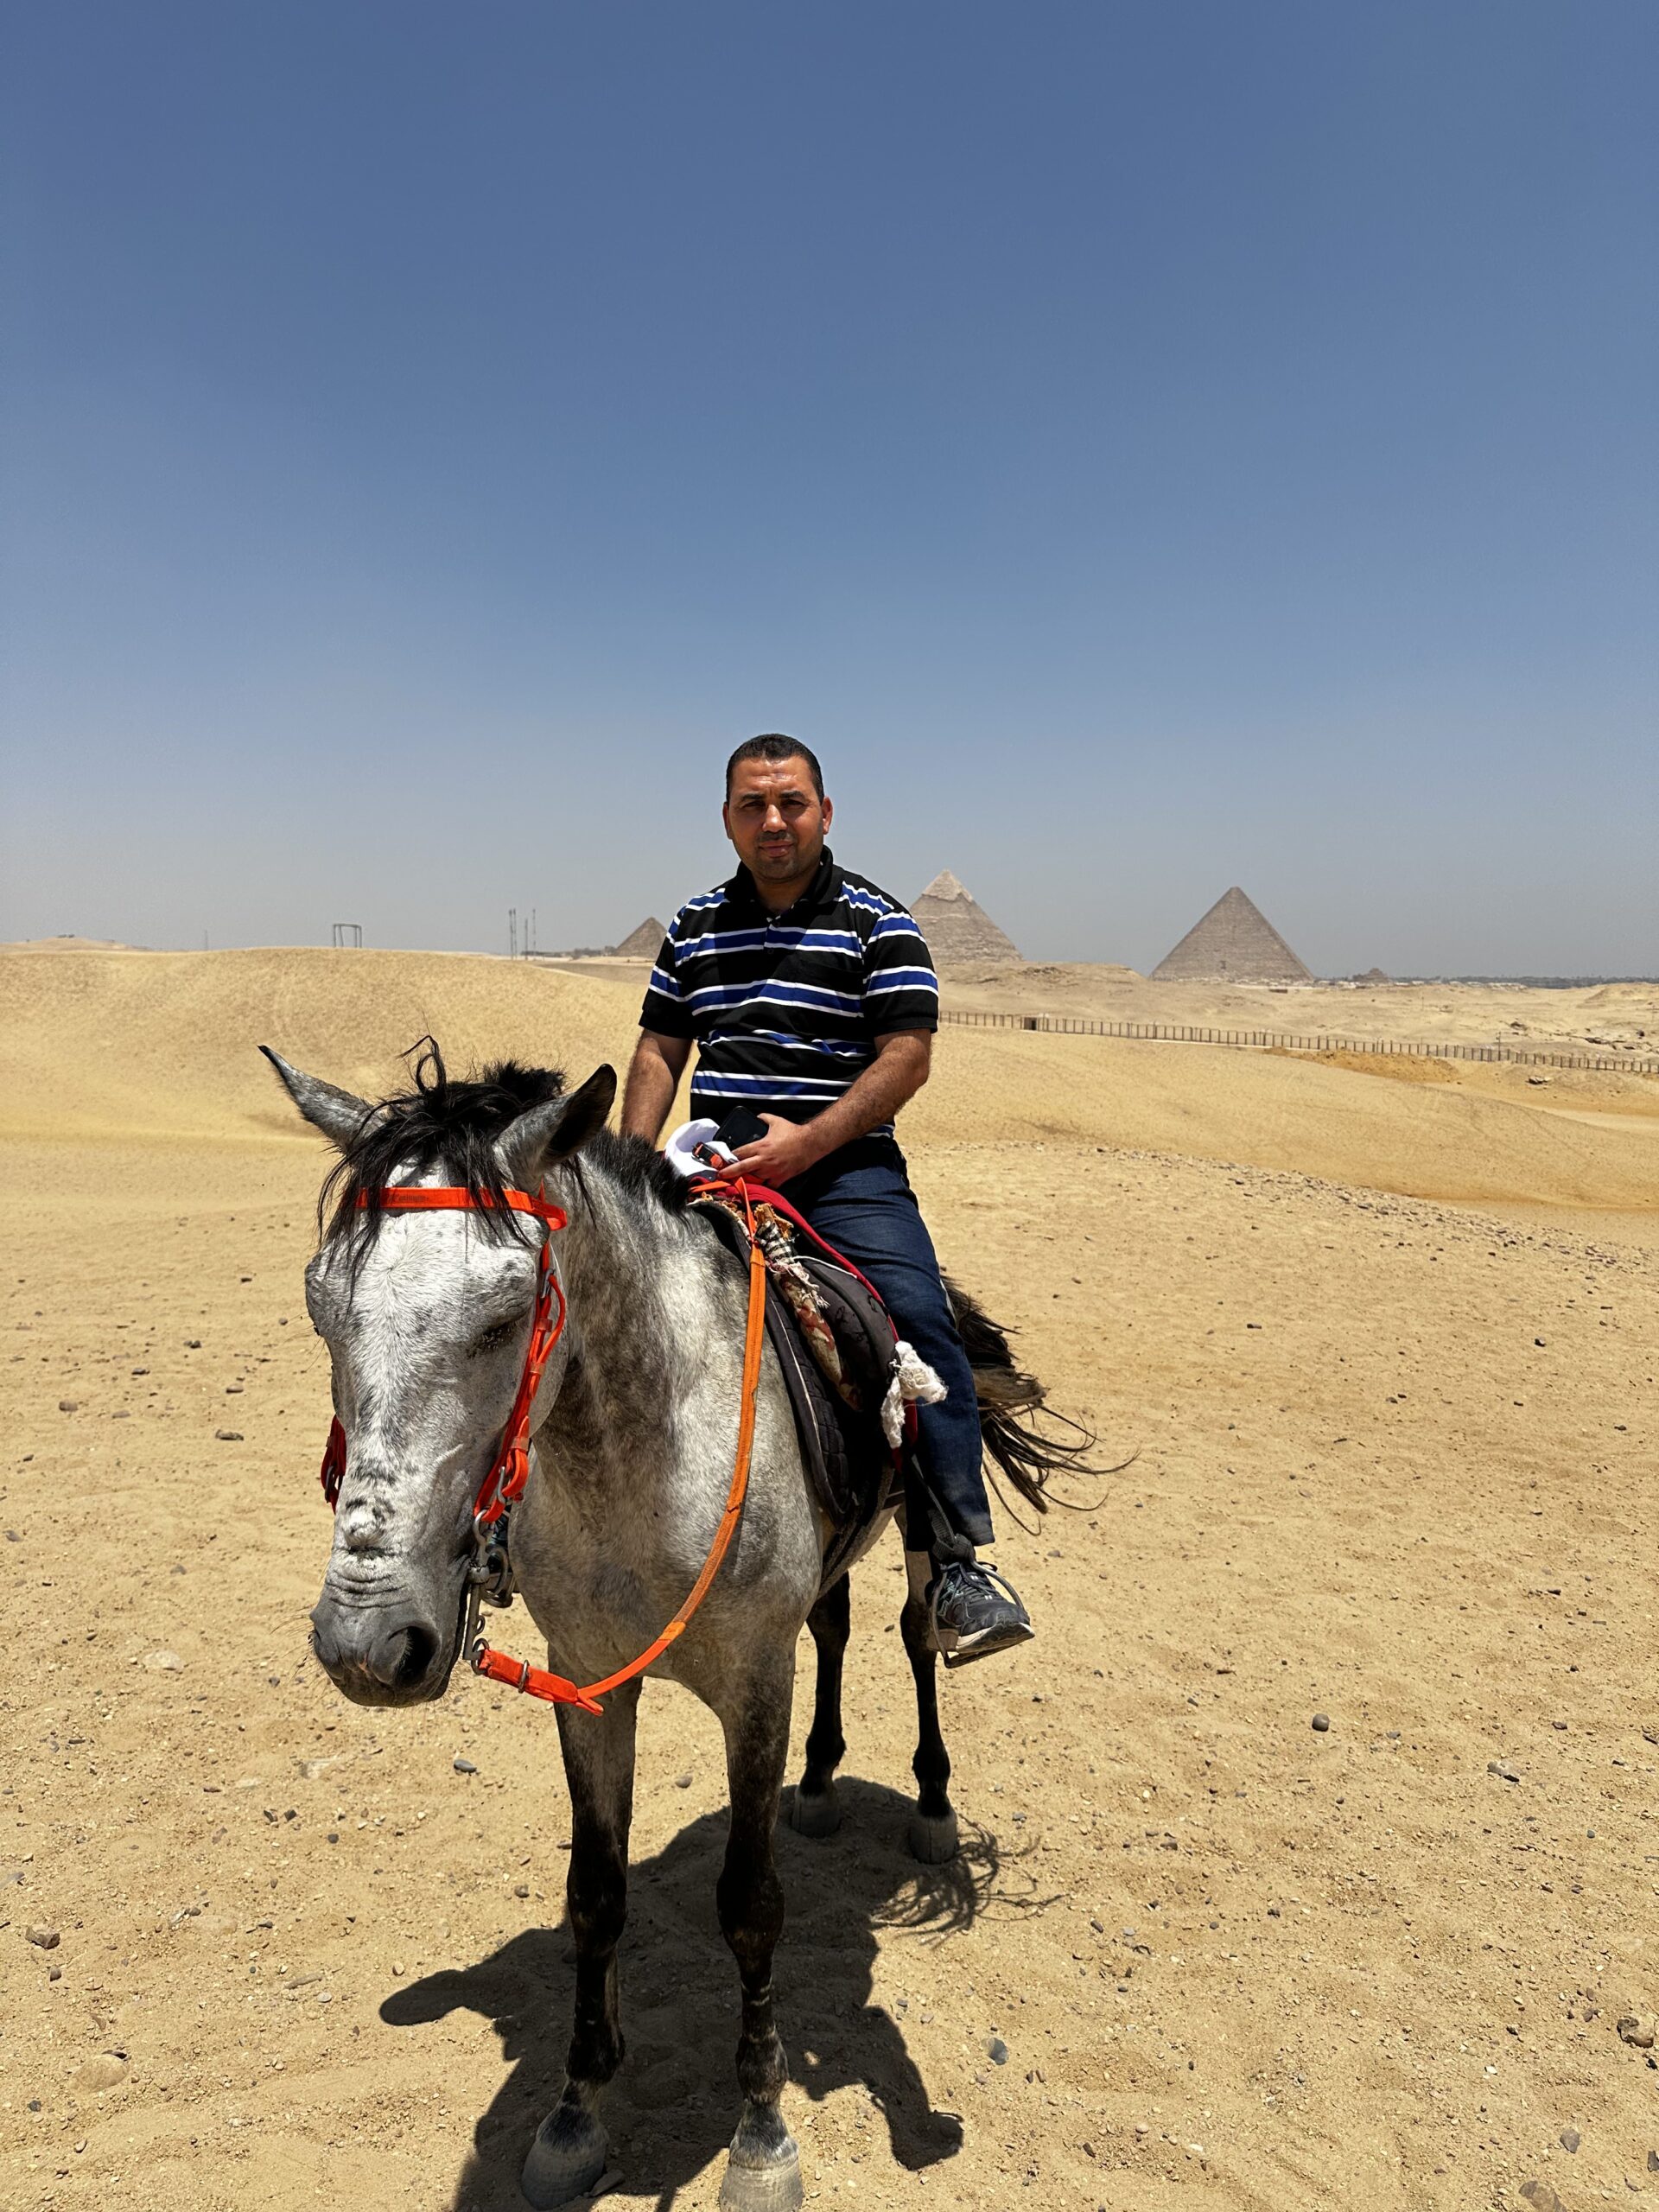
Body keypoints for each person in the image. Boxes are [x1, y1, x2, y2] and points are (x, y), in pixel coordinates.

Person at [619, 732, 1033, 1665]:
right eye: (753, 805)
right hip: (712, 1167)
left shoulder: (876, 922)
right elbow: (658, 1049)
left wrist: (807, 1143)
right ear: (727, 817)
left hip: (845, 1172)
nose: (773, 821)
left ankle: (957, 1564)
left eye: (791, 802)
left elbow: (906, 1056)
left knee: (920, 1321)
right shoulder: (691, 928)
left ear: (824, 812)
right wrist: (626, 1167)